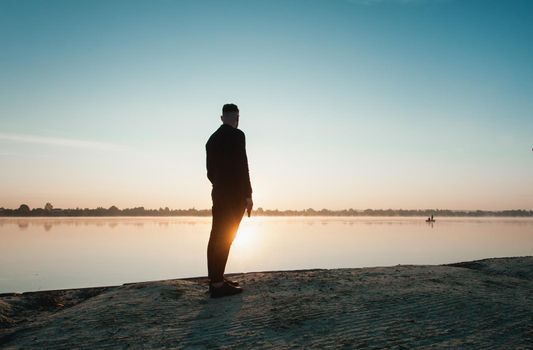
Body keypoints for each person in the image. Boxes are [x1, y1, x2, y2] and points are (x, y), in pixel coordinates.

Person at [205, 103, 253, 298]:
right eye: (236, 117)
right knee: (226, 237)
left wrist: (219, 185)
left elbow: (209, 172)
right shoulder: (237, 135)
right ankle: (217, 285)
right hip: (234, 195)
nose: (237, 120)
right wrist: (248, 195)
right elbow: (243, 165)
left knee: (216, 236)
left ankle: (215, 279)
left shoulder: (212, 139)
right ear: (227, 118)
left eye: (237, 117)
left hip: (218, 192)